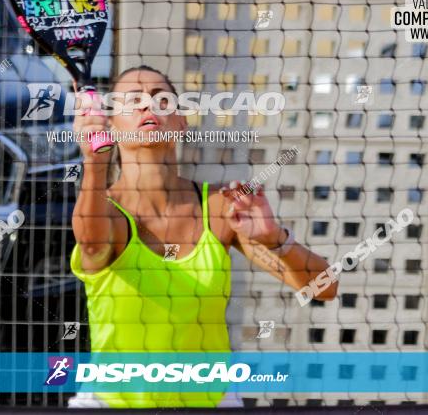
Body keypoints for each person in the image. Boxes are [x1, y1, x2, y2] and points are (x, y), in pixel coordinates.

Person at [68, 66, 337, 408]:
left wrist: (276, 239)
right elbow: (91, 242)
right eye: (132, 100)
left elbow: (325, 287)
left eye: (161, 99)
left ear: (181, 121)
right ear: (112, 126)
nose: (147, 106)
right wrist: (93, 164)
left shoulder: (222, 207)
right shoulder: (105, 209)